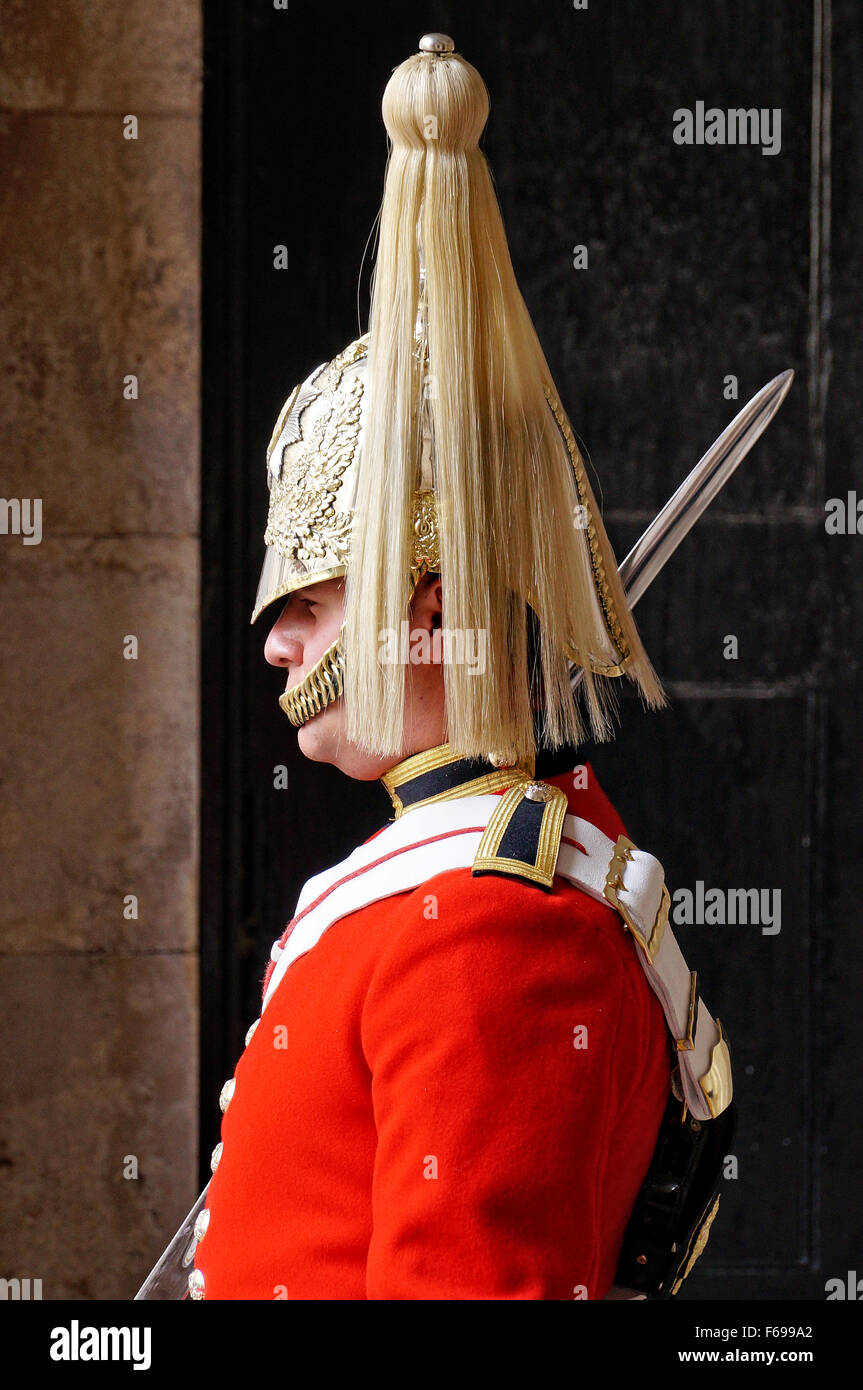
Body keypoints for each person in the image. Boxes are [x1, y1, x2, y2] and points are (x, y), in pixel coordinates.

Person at [189, 35, 733, 1301]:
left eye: (311, 605)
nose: (276, 644)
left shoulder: (487, 925)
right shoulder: (450, 883)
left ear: (417, 611)